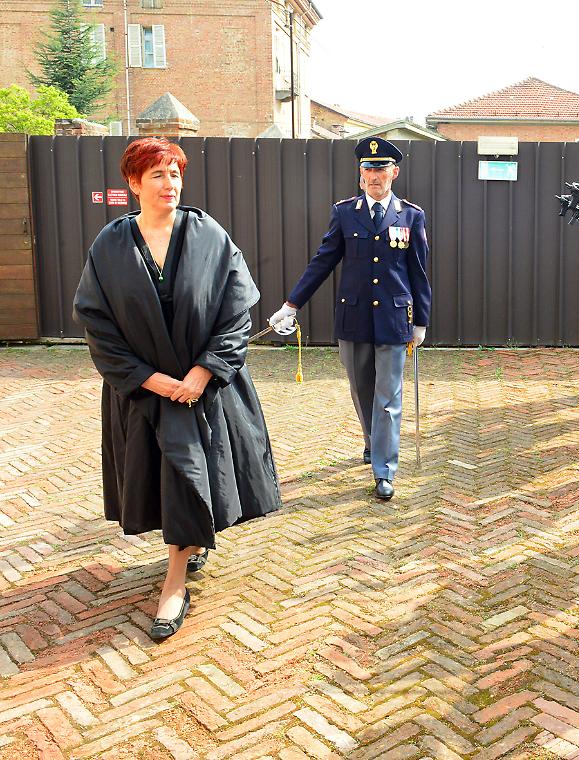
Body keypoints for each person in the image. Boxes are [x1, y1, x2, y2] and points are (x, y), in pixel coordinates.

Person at [73, 137, 281, 642]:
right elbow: (96, 321)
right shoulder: (111, 246)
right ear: (133, 184)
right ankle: (188, 549)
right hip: (147, 391)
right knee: (172, 476)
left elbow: (236, 310)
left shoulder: (208, 235)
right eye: (158, 176)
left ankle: (173, 583)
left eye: (176, 174)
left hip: (203, 387)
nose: (170, 185)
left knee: (190, 471)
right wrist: (146, 377)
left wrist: (204, 371)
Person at [270, 138, 431, 501]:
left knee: (388, 396)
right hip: (354, 317)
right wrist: (292, 304)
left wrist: (420, 320)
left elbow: (418, 272)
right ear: (361, 176)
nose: (375, 176)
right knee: (362, 391)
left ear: (395, 173)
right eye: (368, 170)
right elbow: (323, 261)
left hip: (394, 318)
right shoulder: (345, 213)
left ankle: (384, 470)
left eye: (381, 169)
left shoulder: (410, 215)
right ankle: (373, 444)